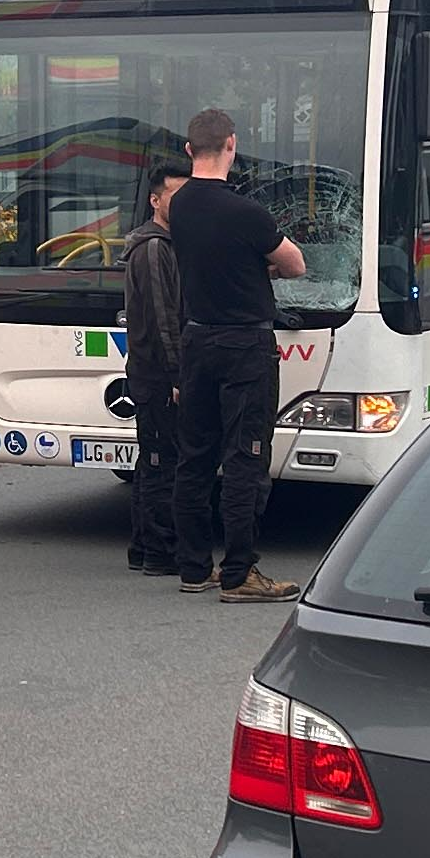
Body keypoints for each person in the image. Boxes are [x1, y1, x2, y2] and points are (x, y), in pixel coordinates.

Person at [167, 106, 305, 603]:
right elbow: (295, 264)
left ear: (189, 150)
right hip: (244, 344)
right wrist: (257, 269)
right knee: (245, 456)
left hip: (197, 340)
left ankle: (193, 567)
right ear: (232, 144)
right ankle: (240, 573)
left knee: (195, 456)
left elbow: (210, 262)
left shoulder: (180, 206)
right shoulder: (247, 212)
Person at [120, 161, 189, 576]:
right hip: (157, 375)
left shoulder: (165, 243)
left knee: (153, 461)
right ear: (155, 200)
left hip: (152, 373)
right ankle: (160, 552)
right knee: (163, 462)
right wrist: (178, 375)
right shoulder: (153, 249)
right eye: (174, 196)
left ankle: (143, 547)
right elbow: (165, 319)